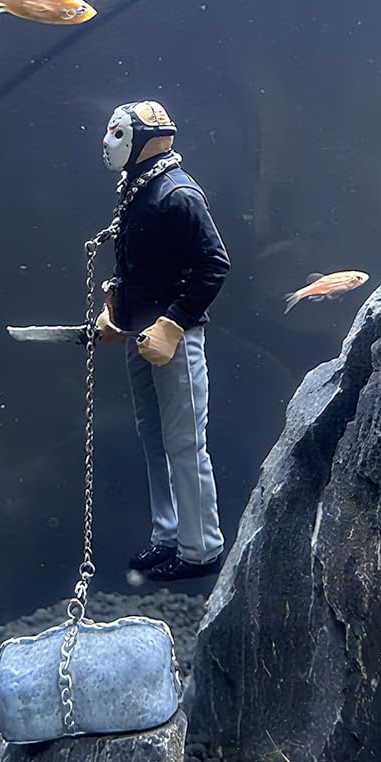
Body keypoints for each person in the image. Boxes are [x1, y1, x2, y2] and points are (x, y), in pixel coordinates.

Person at [95, 100, 230, 581]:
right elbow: (137, 264)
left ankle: (201, 550)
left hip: (175, 340)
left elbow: (214, 265)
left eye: (117, 133)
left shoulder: (177, 194)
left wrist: (173, 325)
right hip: (140, 335)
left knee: (185, 444)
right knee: (155, 440)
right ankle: (169, 535)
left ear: (144, 141)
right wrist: (115, 310)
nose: (108, 142)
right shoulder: (138, 190)